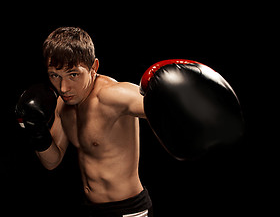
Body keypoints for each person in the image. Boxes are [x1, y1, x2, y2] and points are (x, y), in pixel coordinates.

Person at [15, 27, 244, 216]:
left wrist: (202, 107)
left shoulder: (113, 96)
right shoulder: (62, 103)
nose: (63, 87)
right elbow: (52, 161)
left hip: (129, 211)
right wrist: (36, 131)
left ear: (93, 67)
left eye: (74, 74)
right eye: (55, 76)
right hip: (90, 208)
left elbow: (160, 105)